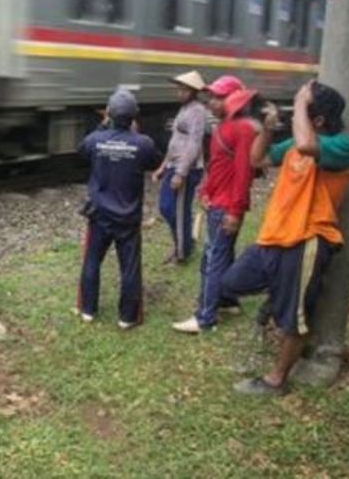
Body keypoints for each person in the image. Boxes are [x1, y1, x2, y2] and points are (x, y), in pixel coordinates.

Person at [221, 80, 349, 395]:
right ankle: (278, 295)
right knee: (231, 283)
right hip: (275, 236)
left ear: (317, 120)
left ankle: (276, 380)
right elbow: (258, 160)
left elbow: (309, 146)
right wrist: (268, 130)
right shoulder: (295, 145)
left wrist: (300, 102)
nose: (294, 115)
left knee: (294, 319)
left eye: (301, 112)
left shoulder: (343, 146)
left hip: (307, 239)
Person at [173, 76, 257, 334]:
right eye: (211, 96)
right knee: (223, 254)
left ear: (235, 99)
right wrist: (206, 189)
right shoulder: (225, 126)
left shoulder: (241, 129)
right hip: (219, 202)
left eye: (219, 97)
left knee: (213, 259)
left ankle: (205, 317)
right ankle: (227, 301)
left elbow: (244, 173)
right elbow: (218, 165)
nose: (211, 102)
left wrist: (235, 211)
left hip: (226, 206)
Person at [77, 89, 161, 328]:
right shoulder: (143, 143)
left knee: (92, 261)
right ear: (134, 116)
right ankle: (127, 317)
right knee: (130, 268)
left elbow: (81, 151)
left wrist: (103, 126)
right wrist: (132, 136)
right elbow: (155, 161)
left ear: (109, 114)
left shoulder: (95, 140)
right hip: (128, 218)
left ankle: (88, 310)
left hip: (99, 215)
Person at [154, 70, 208, 265]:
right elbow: (175, 142)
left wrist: (180, 173)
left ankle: (182, 253)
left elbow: (194, 143)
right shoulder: (184, 109)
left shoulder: (197, 112)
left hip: (187, 169)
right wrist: (163, 166)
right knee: (166, 207)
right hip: (174, 165)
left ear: (193, 91)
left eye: (184, 90)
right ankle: (182, 243)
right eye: (179, 89)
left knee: (177, 210)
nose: (179, 93)